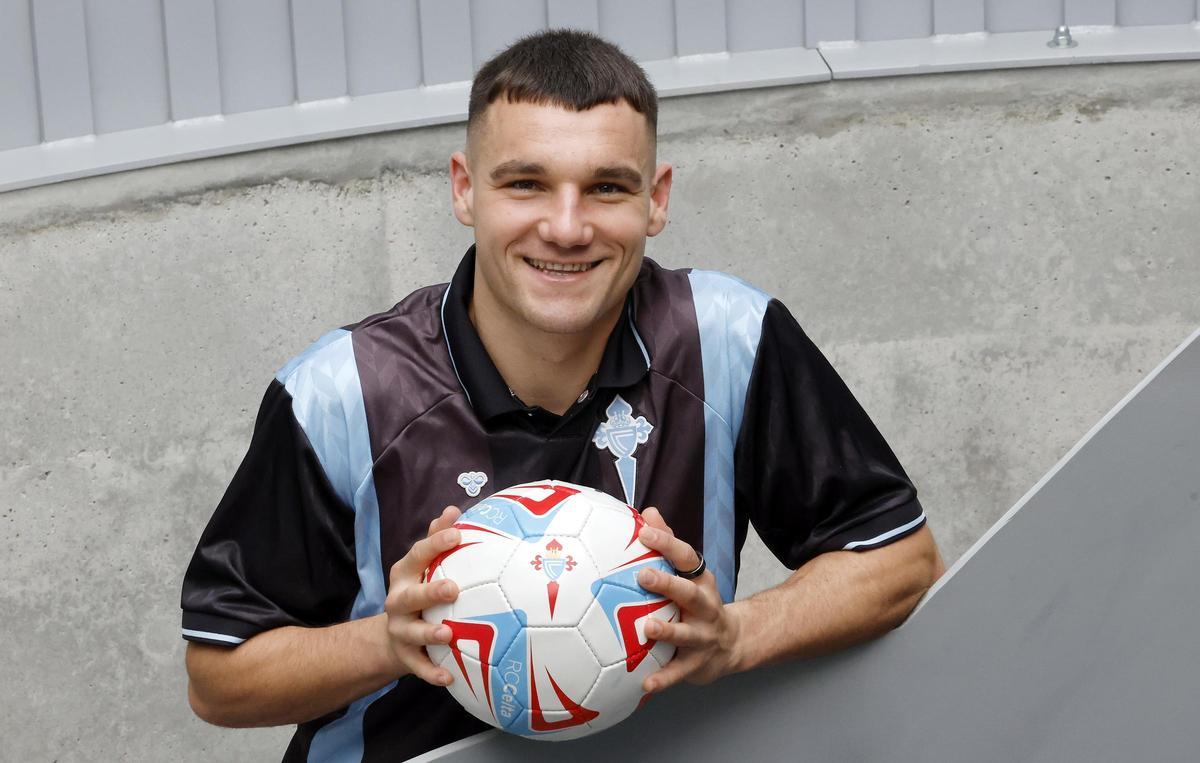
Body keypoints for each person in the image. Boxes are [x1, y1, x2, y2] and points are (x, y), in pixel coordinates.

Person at [181, 29, 944, 761]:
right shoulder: (342, 390)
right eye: (527, 183)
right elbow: (218, 677)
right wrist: (387, 639)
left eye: (607, 187)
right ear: (465, 188)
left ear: (656, 198)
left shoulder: (729, 339)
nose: (567, 227)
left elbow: (900, 560)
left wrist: (740, 634)